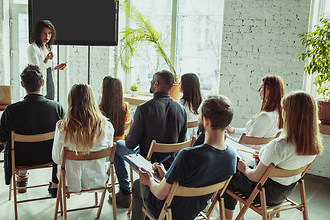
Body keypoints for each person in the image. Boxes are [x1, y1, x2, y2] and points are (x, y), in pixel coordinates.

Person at [131, 95, 237, 220]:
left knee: (139, 184)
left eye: (199, 115)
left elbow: (160, 194)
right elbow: (192, 182)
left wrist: (149, 180)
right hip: (194, 211)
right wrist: (167, 175)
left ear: (206, 120)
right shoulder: (231, 157)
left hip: (169, 212)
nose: (198, 119)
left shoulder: (188, 155)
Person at [223, 91, 323, 219]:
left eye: (284, 109)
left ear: (291, 115)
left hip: (264, 195)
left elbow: (254, 177)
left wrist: (245, 168)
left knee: (229, 173)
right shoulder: (314, 146)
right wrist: (264, 159)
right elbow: (287, 161)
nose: (282, 112)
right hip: (284, 193)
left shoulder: (280, 145)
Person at [111, 70, 188, 208]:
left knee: (117, 145)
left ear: (156, 83)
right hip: (170, 164)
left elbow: (130, 144)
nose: (151, 83)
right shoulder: (181, 110)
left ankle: (124, 192)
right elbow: (182, 144)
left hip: (147, 163)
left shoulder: (144, 109)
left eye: (153, 80)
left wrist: (131, 130)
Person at [0, 65, 64, 196]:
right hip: (50, 156)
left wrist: (2, 142)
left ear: (22, 84)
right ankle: (55, 183)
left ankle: (21, 178)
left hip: (20, 159)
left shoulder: (11, 110)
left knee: (10, 140)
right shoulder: (57, 107)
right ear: (42, 83)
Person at [52, 84, 114, 192]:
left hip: (70, 182)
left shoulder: (62, 128)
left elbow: (57, 158)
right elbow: (108, 158)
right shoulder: (106, 126)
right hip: (98, 180)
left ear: (70, 102)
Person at [226, 75, 285, 147]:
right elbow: (253, 132)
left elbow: (247, 144)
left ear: (271, 91)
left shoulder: (265, 117)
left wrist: (226, 137)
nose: (259, 90)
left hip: (248, 154)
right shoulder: (277, 114)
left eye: (262, 87)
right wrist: (234, 130)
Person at [27, 20, 67, 100]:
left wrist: (56, 67)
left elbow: (47, 68)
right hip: (40, 82)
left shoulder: (47, 48)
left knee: (50, 106)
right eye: (44, 33)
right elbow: (37, 70)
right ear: (38, 33)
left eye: (49, 33)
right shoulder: (32, 48)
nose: (47, 36)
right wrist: (46, 59)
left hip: (50, 81)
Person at [99, 76, 130, 142]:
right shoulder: (125, 106)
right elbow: (125, 126)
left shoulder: (99, 109)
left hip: (106, 146)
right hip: (120, 145)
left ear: (105, 91)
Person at [179, 73, 203, 139]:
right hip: (194, 140)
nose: (178, 84)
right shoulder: (202, 101)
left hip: (180, 141)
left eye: (180, 82)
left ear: (185, 86)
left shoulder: (180, 105)